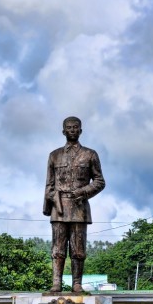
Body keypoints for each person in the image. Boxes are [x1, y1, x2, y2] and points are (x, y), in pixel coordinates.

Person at [43, 116, 105, 292]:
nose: (72, 130)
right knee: (58, 248)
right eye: (69, 127)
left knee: (78, 249)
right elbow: (49, 185)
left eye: (75, 127)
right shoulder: (54, 156)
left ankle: (77, 283)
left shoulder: (90, 154)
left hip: (79, 208)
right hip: (59, 208)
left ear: (80, 130)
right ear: (63, 131)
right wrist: (52, 198)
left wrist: (83, 191)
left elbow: (99, 181)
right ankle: (57, 282)